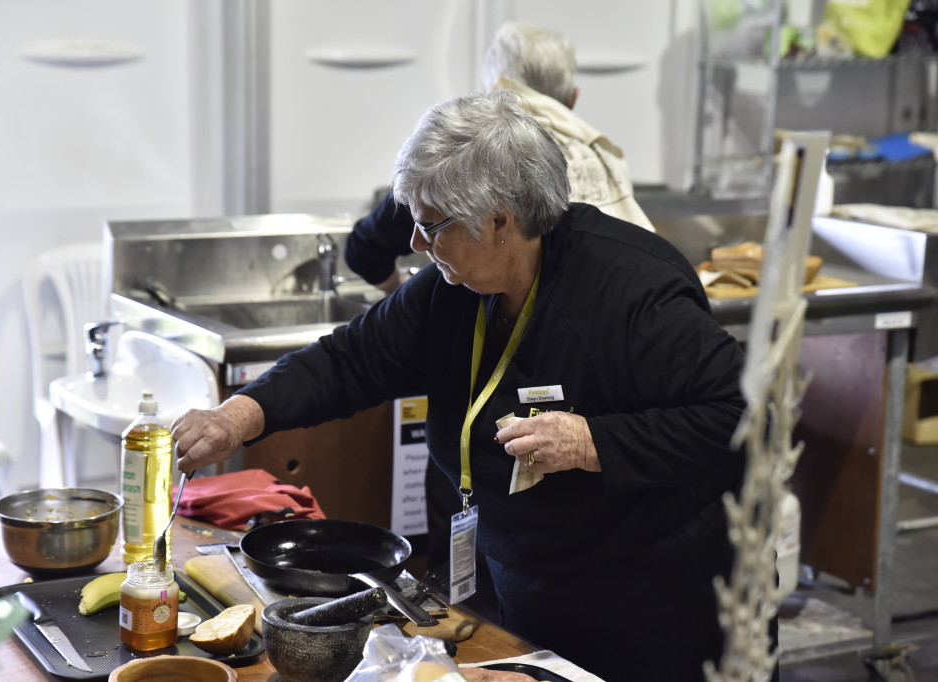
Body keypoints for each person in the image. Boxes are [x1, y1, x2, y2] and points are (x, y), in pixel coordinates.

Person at [172, 91, 754, 681]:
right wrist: (236, 417)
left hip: (649, 606)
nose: (418, 246)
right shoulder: (450, 291)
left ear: (500, 221)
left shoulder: (634, 291)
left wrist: (592, 441)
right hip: (525, 585)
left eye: (430, 227)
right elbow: (351, 358)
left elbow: (743, 417)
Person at [344, 20, 654, 296]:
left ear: (492, 93)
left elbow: (365, 250)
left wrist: (398, 294)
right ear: (573, 99)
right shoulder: (604, 157)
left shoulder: (470, 161)